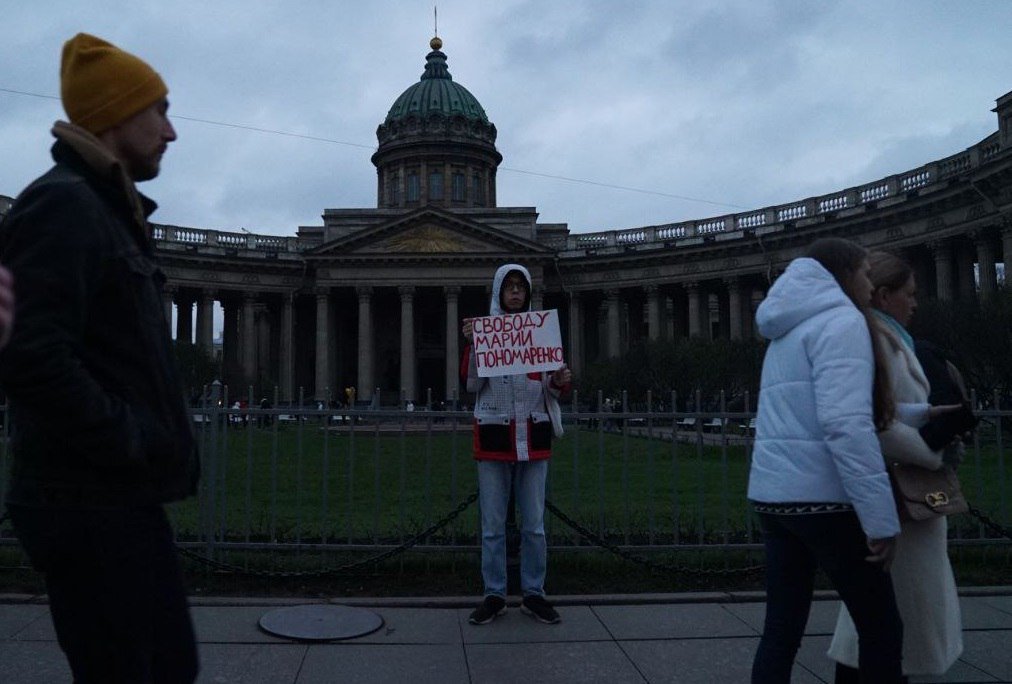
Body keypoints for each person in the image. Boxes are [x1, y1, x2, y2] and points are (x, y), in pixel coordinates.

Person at [0, 33, 199, 682]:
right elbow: (31, 357)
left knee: (167, 666)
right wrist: (131, 437)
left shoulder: (105, 210)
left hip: (112, 495)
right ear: (117, 114)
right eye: (159, 111)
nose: (171, 132)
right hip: (87, 499)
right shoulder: (66, 203)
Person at [747, 237, 904, 683]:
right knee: (881, 630)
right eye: (866, 273)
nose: (872, 286)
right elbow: (844, 424)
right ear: (845, 274)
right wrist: (880, 519)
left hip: (775, 498)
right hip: (827, 501)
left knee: (780, 632)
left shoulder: (787, 326)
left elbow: (805, 409)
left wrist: (917, 413)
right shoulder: (842, 322)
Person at [828, 251, 963, 681]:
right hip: (895, 494)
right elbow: (874, 421)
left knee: (880, 626)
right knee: (884, 627)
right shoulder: (876, 343)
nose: (916, 302)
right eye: (910, 293)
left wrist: (930, 417)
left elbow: (891, 412)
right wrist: (932, 450)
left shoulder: (893, 341)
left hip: (901, 495)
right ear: (884, 296)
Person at [461, 264, 572, 625]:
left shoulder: (540, 335)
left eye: (519, 288)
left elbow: (552, 391)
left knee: (535, 526)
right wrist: (477, 345)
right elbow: (472, 386)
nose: (514, 293)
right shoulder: (486, 335)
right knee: (492, 527)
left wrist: (558, 380)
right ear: (498, 292)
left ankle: (533, 593)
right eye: (508, 287)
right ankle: (494, 595)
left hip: (533, 437)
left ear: (526, 293)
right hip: (494, 438)